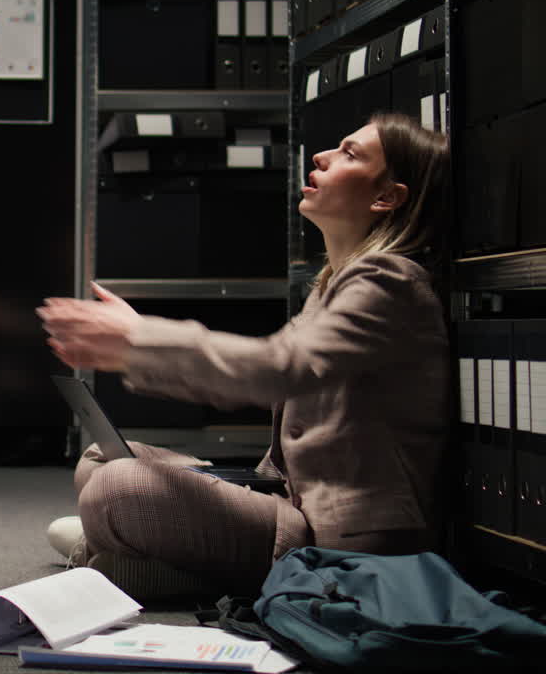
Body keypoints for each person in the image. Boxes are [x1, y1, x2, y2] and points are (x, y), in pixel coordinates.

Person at [37, 112, 452, 600]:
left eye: (349, 154)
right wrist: (136, 342)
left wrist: (139, 338)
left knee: (118, 488)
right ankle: (135, 562)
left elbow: (278, 367)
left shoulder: (390, 282)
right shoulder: (334, 284)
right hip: (289, 503)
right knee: (98, 460)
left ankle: (134, 559)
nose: (322, 156)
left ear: (386, 198)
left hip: (335, 543)